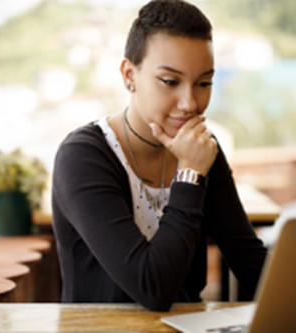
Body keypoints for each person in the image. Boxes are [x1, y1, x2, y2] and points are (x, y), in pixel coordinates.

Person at [52, 0, 267, 312]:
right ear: (129, 75)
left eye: (204, 83)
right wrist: (191, 174)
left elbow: (248, 259)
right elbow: (152, 288)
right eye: (170, 82)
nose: (190, 103)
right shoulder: (82, 158)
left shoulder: (202, 150)